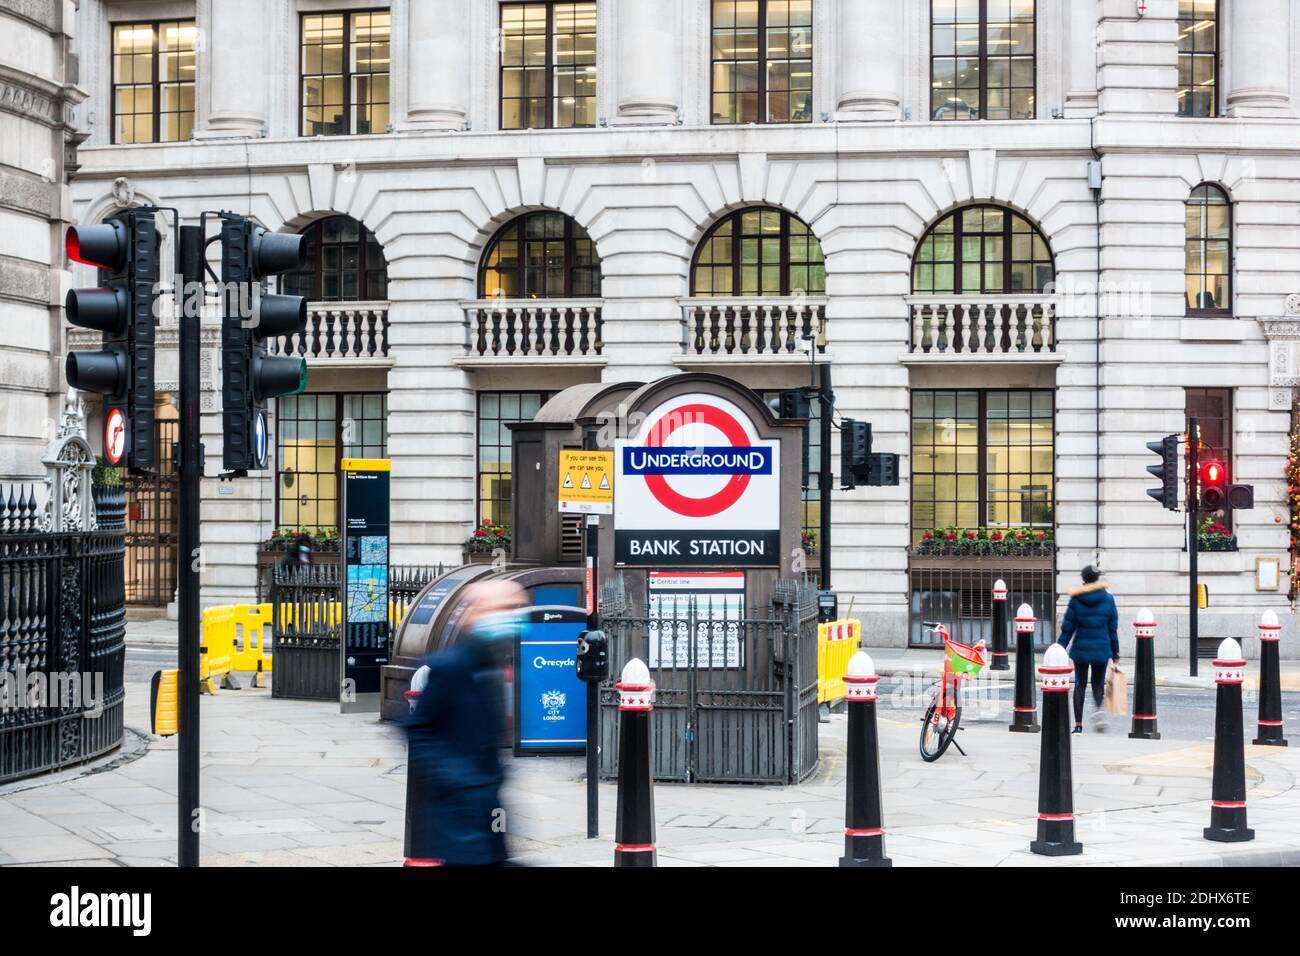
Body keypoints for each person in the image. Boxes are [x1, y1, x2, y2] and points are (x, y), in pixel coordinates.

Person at [404, 578, 526, 866]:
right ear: (478, 613)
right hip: (457, 809)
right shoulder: (451, 665)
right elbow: (417, 729)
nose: (515, 615)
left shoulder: (491, 661)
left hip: (486, 800)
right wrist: (454, 776)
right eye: (506, 607)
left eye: (519, 607)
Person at [1057, 564, 1119, 734]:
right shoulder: (1108, 599)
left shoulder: (1076, 599)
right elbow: (1112, 629)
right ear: (1097, 578)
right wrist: (1116, 652)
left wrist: (1059, 648)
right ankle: (1098, 710)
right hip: (1101, 649)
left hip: (1081, 650)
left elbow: (1068, 627)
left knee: (1080, 685)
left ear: (1084, 579)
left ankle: (1078, 725)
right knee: (1098, 684)